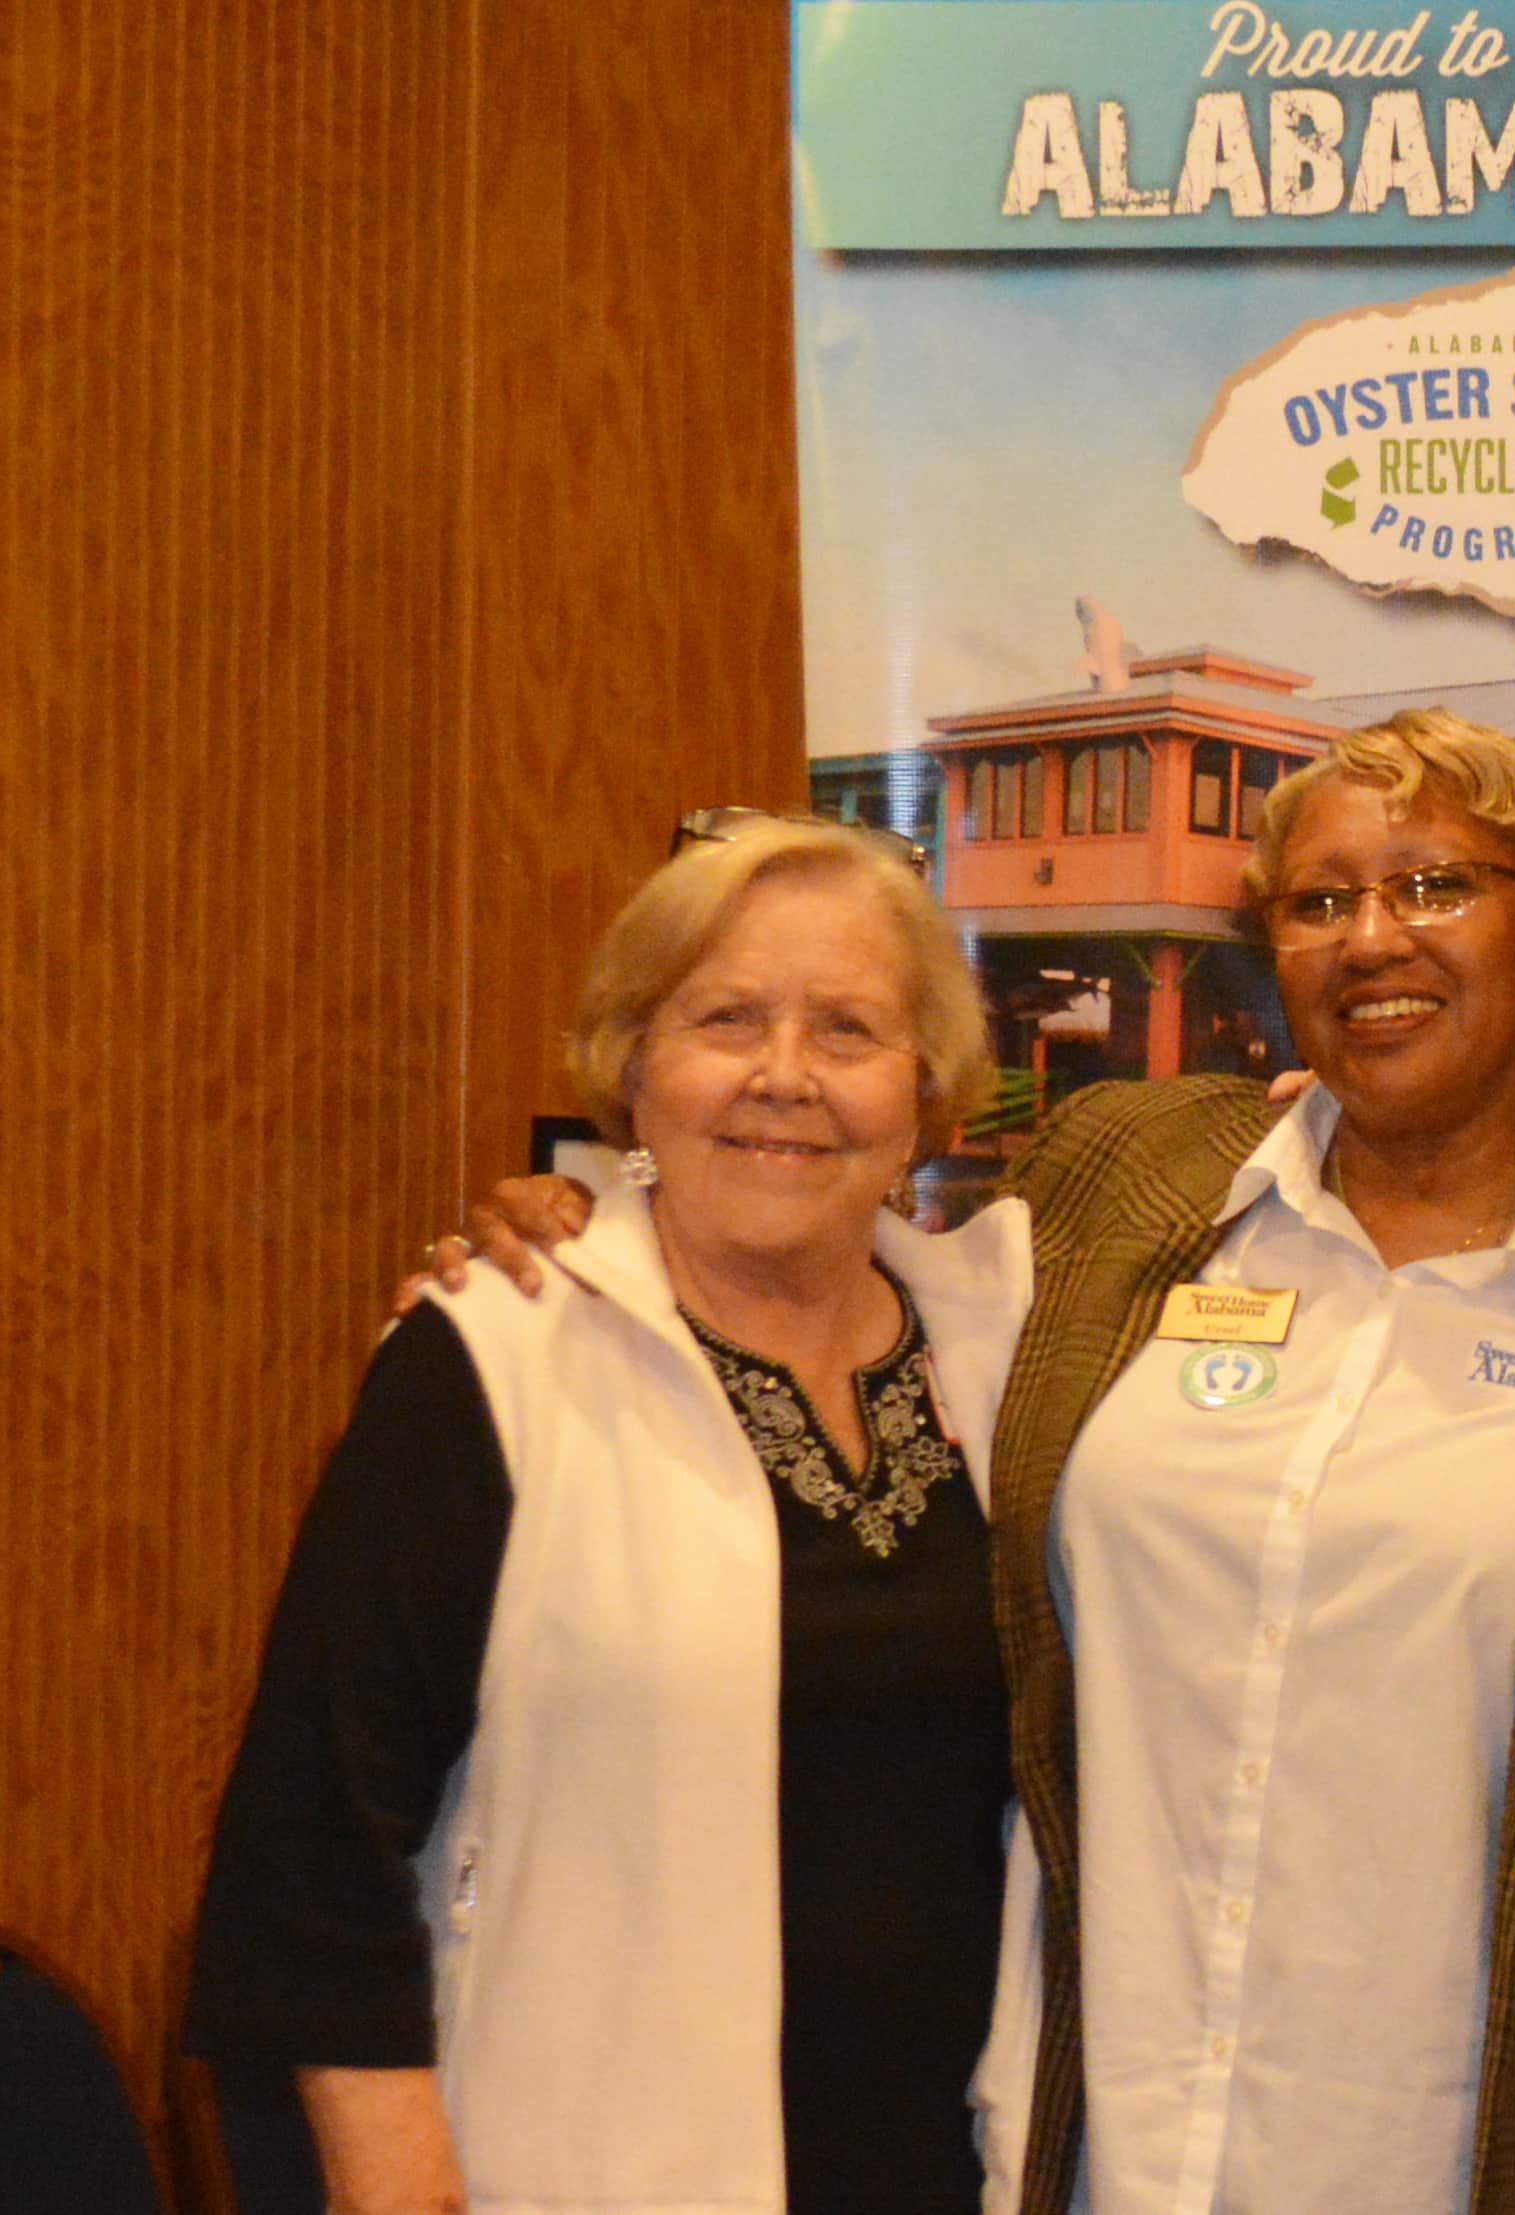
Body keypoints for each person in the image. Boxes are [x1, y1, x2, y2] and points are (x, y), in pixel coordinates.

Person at [453, 713, 1515, 2213]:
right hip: (1108, 2145)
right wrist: (615, 1204)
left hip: (1492, 2152)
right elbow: (829, 1253)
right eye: (1317, 903)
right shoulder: (1131, 1178)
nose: (1373, 939)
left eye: (1436, 887)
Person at [186, 819, 1033, 2215]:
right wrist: (395, 2186)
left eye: (849, 1029)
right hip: (575, 2165)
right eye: (727, 1019)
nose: (784, 1076)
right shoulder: (496, 1352)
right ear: (633, 1065)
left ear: (928, 1088)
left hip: (951, 2168)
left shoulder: (1015, 1355)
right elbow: (315, 1835)